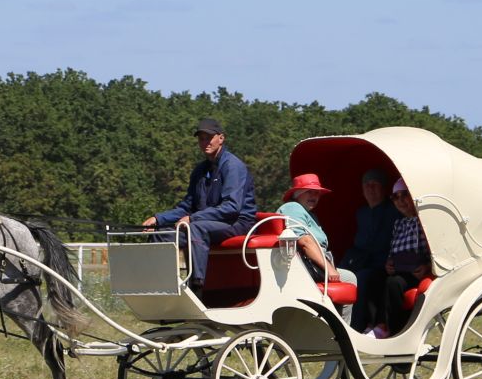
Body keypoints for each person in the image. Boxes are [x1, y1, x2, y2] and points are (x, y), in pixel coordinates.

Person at [141, 117, 257, 292]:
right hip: (208, 222)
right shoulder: (200, 170)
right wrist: (158, 219)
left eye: (208, 138)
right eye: (201, 138)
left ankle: (198, 287)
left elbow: (232, 207)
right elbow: (187, 206)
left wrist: (194, 218)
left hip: (238, 223)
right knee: (162, 234)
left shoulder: (232, 166)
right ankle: (159, 286)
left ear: (221, 138)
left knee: (195, 228)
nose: (205, 142)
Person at [340, 168, 395, 332]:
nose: (370, 188)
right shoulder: (361, 213)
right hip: (360, 260)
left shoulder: (393, 211)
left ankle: (356, 327)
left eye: (375, 184)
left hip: (381, 264)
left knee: (362, 278)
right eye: (367, 185)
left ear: (383, 188)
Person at [276, 173, 353, 286]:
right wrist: (329, 268)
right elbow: (305, 242)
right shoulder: (292, 207)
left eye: (317, 193)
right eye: (309, 192)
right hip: (301, 268)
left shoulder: (310, 214)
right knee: (350, 280)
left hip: (312, 266)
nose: (314, 196)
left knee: (350, 277)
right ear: (297, 194)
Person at [379, 177, 433, 337]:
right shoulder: (399, 224)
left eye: (404, 195)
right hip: (401, 268)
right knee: (372, 277)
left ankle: (398, 333)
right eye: (395, 197)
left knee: (393, 283)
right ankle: (377, 325)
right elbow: (393, 250)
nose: (400, 200)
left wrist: (428, 266)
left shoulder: (426, 221)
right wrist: (389, 263)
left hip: (420, 271)